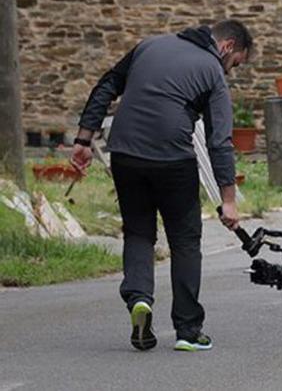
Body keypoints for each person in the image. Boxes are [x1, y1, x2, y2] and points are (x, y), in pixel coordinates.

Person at [70, 20, 253, 352]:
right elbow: (220, 141)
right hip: (172, 158)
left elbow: (107, 84)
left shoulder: (149, 45)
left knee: (139, 232)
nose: (231, 71)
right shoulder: (212, 71)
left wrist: (84, 138)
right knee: (184, 240)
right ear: (226, 47)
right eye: (236, 63)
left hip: (124, 153)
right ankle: (188, 330)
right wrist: (228, 200)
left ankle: (140, 299)